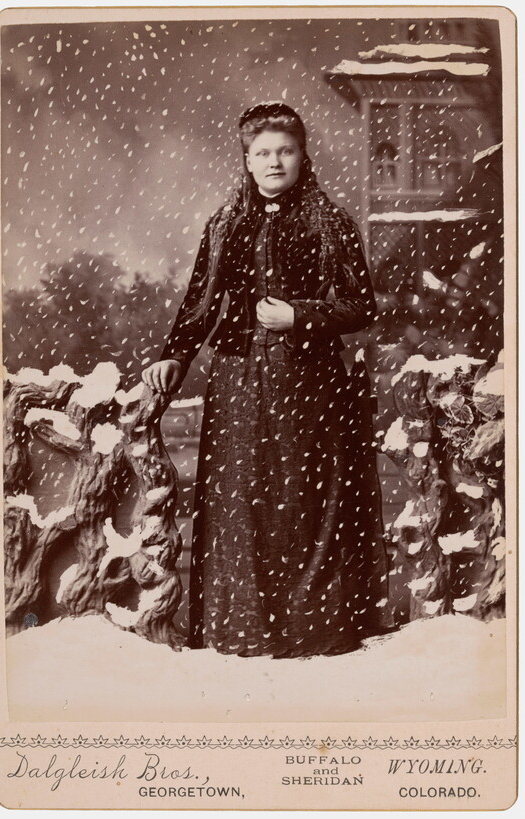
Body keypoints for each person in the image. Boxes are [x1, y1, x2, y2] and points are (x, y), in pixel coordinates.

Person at [142, 102, 392, 658]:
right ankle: (245, 631)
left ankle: (314, 632)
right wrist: (175, 358)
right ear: (247, 161)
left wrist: (299, 316)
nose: (274, 161)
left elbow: (361, 307)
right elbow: (200, 304)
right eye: (262, 153)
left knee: (303, 501)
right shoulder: (227, 222)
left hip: (310, 381)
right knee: (242, 502)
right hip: (238, 382)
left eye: (285, 150)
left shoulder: (331, 222)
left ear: (303, 155)